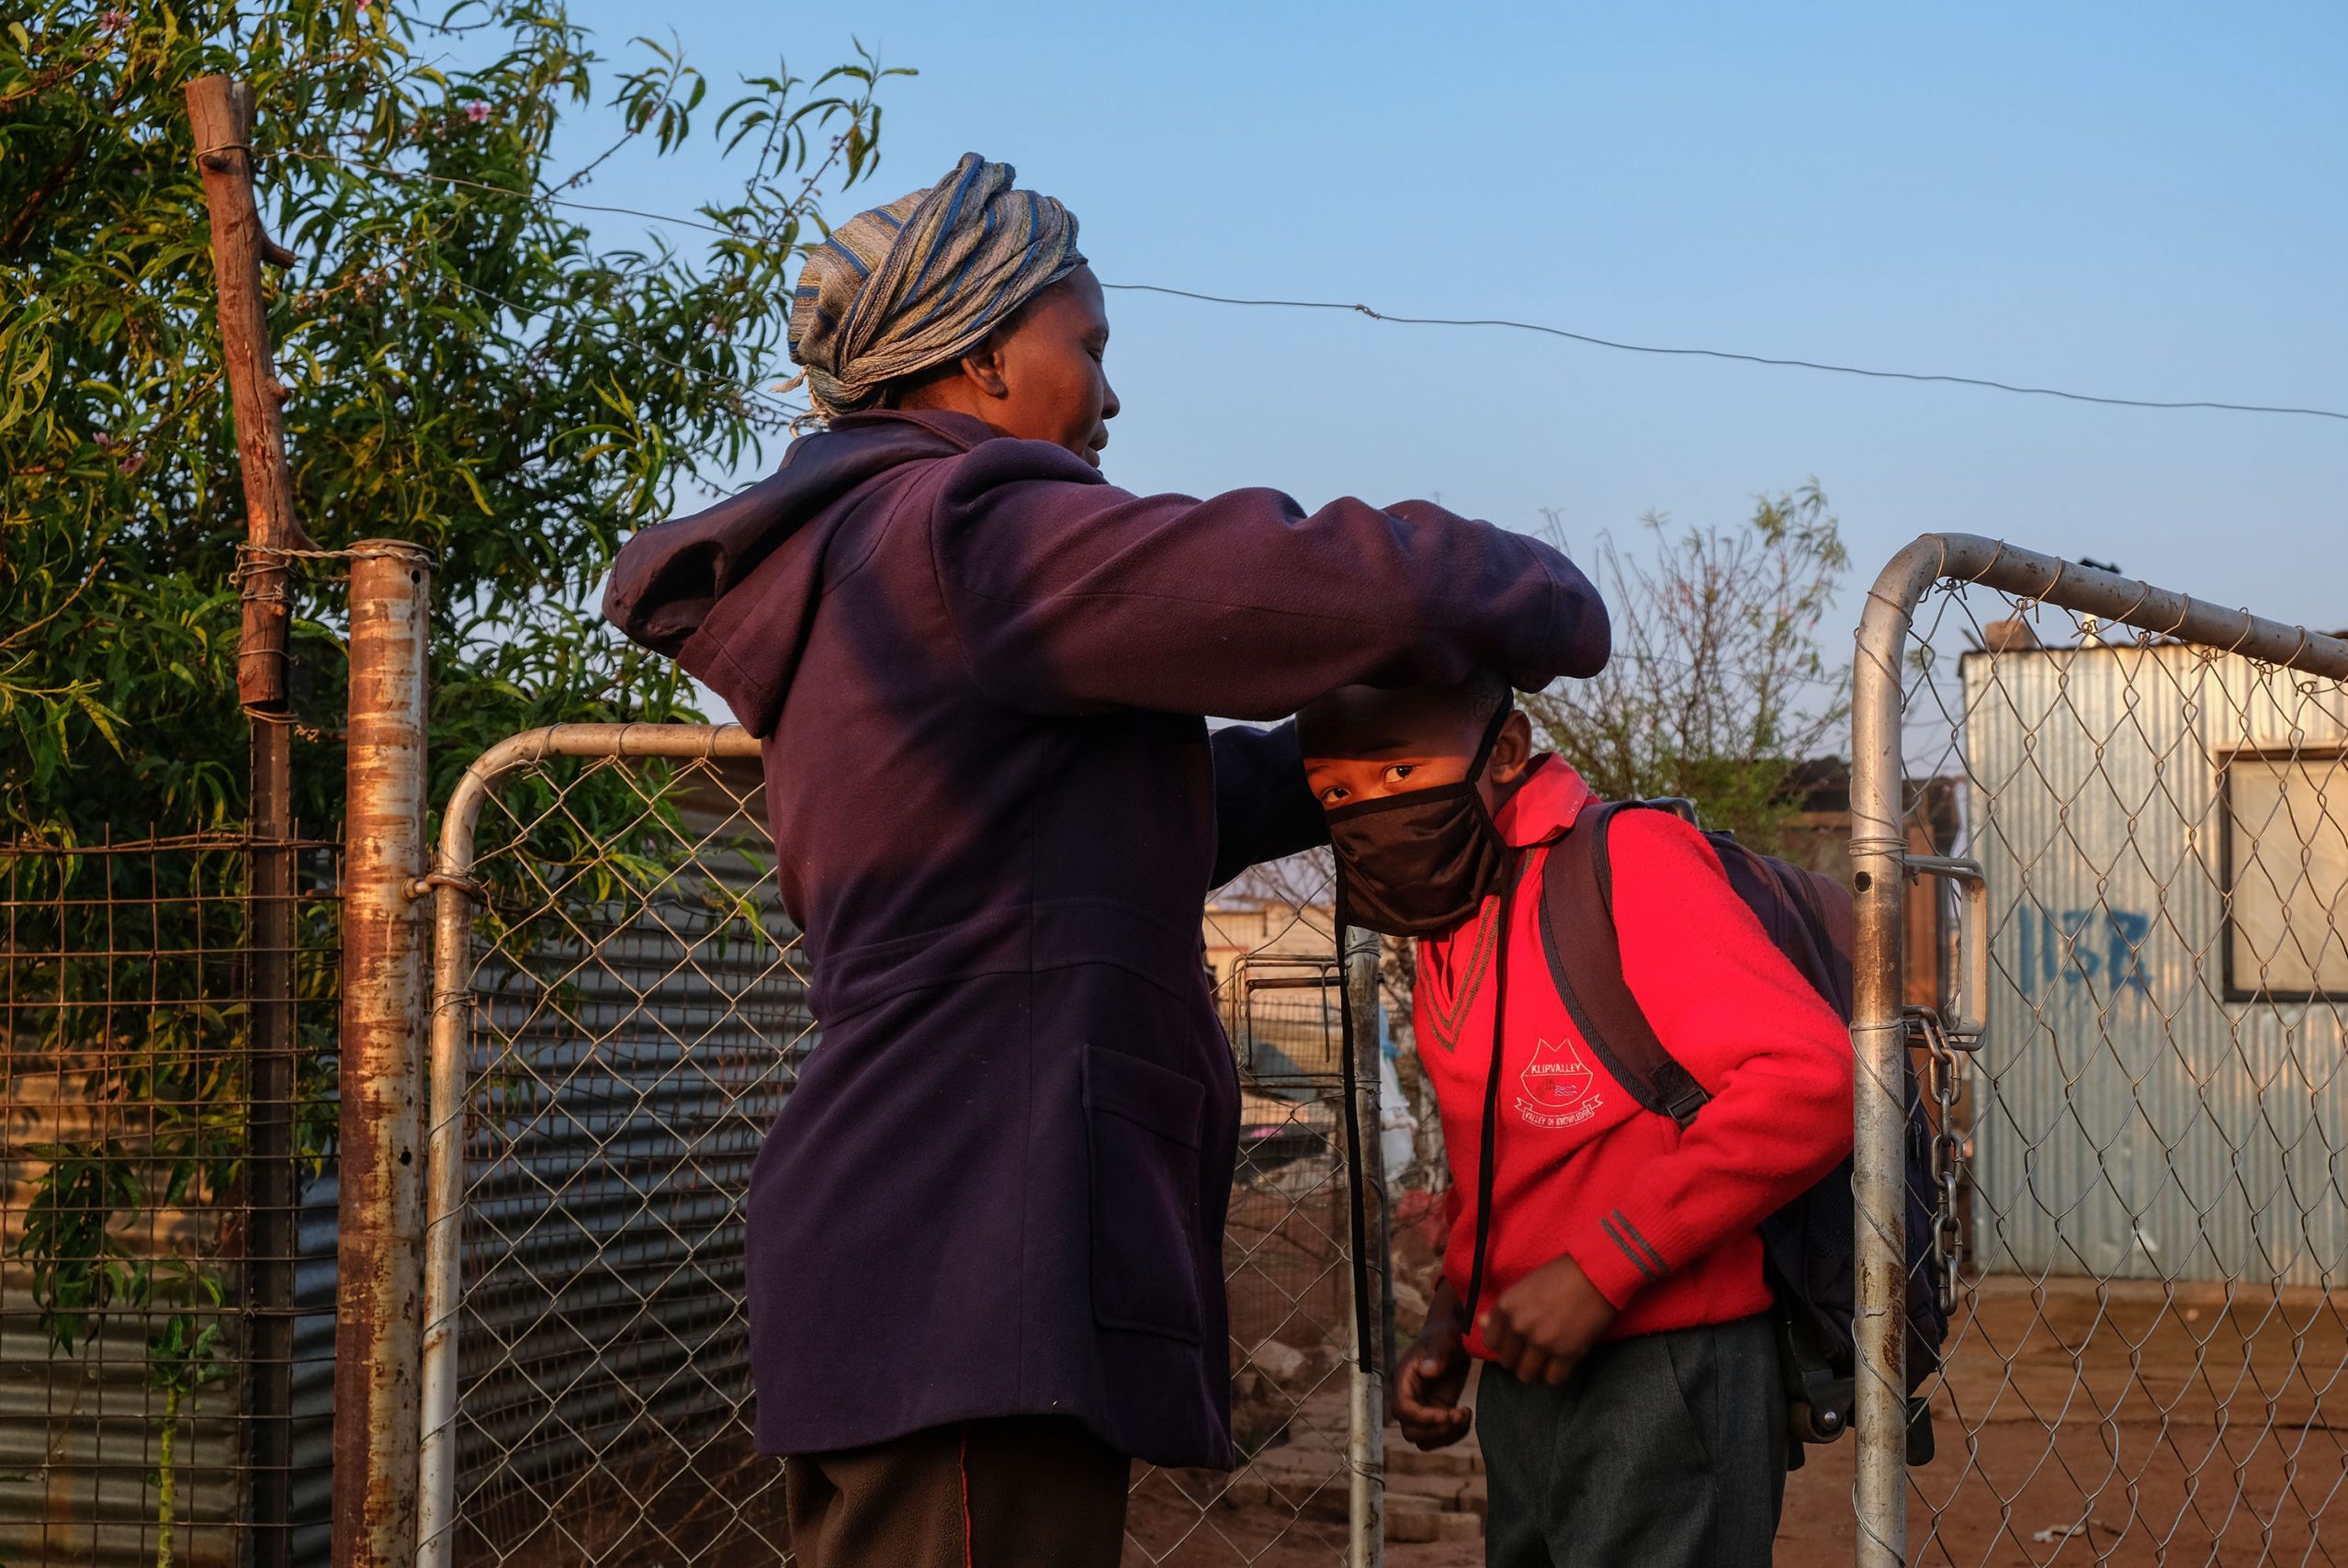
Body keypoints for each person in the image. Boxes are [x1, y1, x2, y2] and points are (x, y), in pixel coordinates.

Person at [602, 153, 1612, 1568]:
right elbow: (1284, 580)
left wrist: (1338, 772)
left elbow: (1095, 842)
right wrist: (1534, 590)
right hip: (972, 1241)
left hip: (921, 1239)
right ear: (977, 351)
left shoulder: (877, 574)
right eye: (1089, 346)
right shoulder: (958, 531)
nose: (1112, 396)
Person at [1296, 671, 1853, 1568]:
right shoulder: (1448, 913)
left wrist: (1603, 1268)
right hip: (1527, 1369)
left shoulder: (1626, 861)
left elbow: (1809, 1079)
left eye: (1398, 778)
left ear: (1506, 753)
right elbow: (1513, 1155)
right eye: (1334, 793)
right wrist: (1452, 1313)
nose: (1365, 810)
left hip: (1665, 1362)